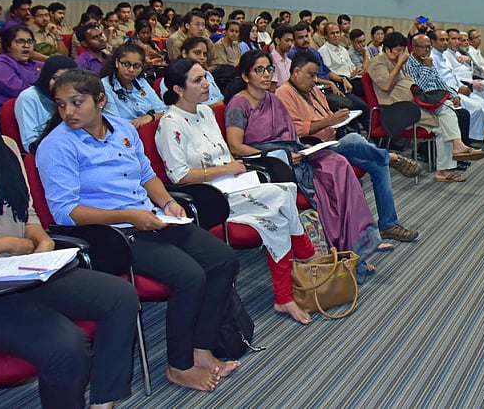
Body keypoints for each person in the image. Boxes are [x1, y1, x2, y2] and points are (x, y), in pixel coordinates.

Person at [35, 69, 241, 392]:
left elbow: (147, 176)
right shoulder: (56, 146)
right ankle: (179, 366)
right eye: (61, 105)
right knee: (190, 276)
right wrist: (129, 216)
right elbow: (66, 212)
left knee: (223, 259)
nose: (68, 112)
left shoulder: (121, 128)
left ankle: (201, 348)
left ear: (100, 100)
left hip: (149, 218)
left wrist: (168, 202)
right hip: (110, 233)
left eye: (77, 102)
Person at [0, 79, 138, 409]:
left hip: (22, 270)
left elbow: (26, 211)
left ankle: (105, 399)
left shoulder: (5, 147)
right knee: (67, 347)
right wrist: (6, 244)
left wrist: (41, 240)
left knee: (120, 296)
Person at [156, 58, 317, 323]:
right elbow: (179, 175)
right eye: (198, 80)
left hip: (231, 184)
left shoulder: (206, 112)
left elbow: (223, 153)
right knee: (283, 194)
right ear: (178, 90)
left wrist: (234, 169)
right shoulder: (171, 124)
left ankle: (285, 294)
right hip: (206, 196)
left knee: (279, 209)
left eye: (205, 77)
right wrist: (226, 170)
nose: (206, 84)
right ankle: (305, 256)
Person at [224, 50, 386, 281]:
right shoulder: (238, 104)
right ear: (245, 76)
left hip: (293, 152)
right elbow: (236, 146)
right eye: (258, 70)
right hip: (267, 161)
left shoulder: (273, 100)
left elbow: (290, 134)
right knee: (325, 182)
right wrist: (280, 155)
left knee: (338, 164)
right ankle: (336, 251)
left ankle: (354, 247)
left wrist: (301, 149)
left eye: (269, 69)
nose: (266, 74)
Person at [276, 51, 421, 244]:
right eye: (311, 75)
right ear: (296, 72)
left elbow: (327, 116)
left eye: (316, 75)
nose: (315, 80)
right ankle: (390, 156)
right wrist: (330, 121)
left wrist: (339, 118)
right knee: (354, 139)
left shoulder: (314, 90)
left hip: (332, 143)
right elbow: (295, 130)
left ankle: (388, 225)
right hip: (312, 151)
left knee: (379, 166)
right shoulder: (283, 93)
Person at [369, 32, 484, 182]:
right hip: (395, 109)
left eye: (403, 50)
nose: (402, 54)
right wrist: (400, 64)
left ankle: (448, 162)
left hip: (411, 104)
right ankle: (453, 153)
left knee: (445, 114)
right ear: (387, 49)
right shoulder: (378, 63)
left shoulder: (399, 61)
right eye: (398, 51)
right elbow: (385, 86)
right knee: (446, 112)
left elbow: (419, 83)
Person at [15, 55, 77, 152]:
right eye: (55, 78)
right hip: (49, 152)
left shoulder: (76, 98)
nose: (60, 84)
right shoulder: (29, 97)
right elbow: (30, 143)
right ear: (46, 77)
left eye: (67, 80)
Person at [100, 43, 167, 127]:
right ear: (117, 63)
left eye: (137, 66)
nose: (131, 70)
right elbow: (115, 123)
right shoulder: (105, 86)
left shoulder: (141, 82)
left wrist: (150, 117)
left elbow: (163, 110)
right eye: (126, 64)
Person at [0, 24, 45, 114]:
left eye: (30, 41)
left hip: (37, 108)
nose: (26, 45)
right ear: (8, 46)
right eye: (20, 41)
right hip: (9, 113)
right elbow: (19, 91)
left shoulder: (38, 64)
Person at [159, 37, 225, 108]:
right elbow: (176, 107)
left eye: (205, 54)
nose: (202, 57)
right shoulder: (172, 78)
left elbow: (220, 97)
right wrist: (212, 107)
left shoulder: (207, 74)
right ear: (184, 53)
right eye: (197, 53)